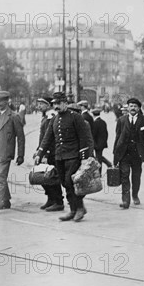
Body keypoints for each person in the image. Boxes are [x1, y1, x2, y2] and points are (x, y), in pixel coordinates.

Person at [35, 92, 92, 222]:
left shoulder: (75, 117)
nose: (56, 106)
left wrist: (84, 157)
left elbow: (84, 138)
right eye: (54, 104)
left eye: (59, 103)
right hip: (59, 156)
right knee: (65, 183)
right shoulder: (54, 119)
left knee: (70, 181)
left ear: (65, 103)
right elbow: (47, 138)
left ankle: (79, 208)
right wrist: (40, 154)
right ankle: (73, 210)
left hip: (73, 156)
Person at [113, 98, 144, 209]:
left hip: (138, 154)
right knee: (124, 175)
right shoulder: (121, 120)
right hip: (124, 153)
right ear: (127, 108)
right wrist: (115, 153)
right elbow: (117, 137)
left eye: (135, 106)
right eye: (131, 106)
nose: (133, 108)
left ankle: (135, 195)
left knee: (136, 176)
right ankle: (125, 200)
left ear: (139, 108)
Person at [0, 91, 25, 213]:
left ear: (7, 101)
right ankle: (6, 200)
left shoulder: (14, 117)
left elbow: (21, 137)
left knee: (1, 177)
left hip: (5, 153)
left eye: (0, 101)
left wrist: (21, 155)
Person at [35, 96, 64, 211]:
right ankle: (51, 199)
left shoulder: (50, 117)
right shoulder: (46, 116)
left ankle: (58, 201)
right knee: (45, 177)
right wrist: (38, 150)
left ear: (48, 105)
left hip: (51, 153)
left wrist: (45, 154)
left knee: (51, 176)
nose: (39, 106)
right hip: (45, 151)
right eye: (39, 104)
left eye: (42, 104)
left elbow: (50, 138)